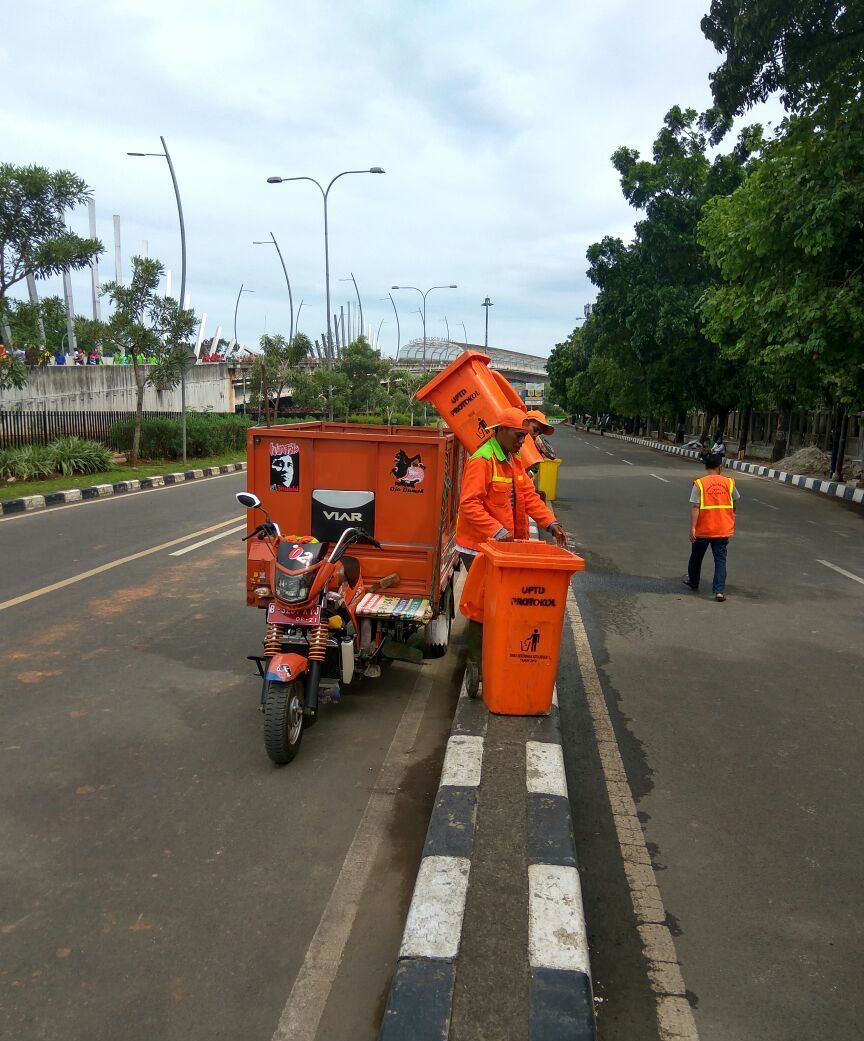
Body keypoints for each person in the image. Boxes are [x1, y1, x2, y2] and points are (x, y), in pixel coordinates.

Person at [456, 406, 567, 691]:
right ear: (501, 431)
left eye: (525, 436)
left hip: (503, 545)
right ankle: (476, 662)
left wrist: (551, 522)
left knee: (503, 604)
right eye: (519, 435)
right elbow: (469, 504)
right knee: (484, 605)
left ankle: (500, 656)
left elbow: (528, 497)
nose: (522, 441)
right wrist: (497, 530)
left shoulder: (512, 459)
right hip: (478, 546)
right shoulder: (482, 460)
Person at [683, 453, 740, 602]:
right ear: (720, 466)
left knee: (696, 557)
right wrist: (731, 515)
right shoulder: (729, 483)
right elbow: (734, 502)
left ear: (706, 467)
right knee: (720, 560)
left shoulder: (700, 484)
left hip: (703, 529)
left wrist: (693, 528)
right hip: (722, 529)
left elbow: (695, 507)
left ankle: (693, 582)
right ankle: (719, 591)